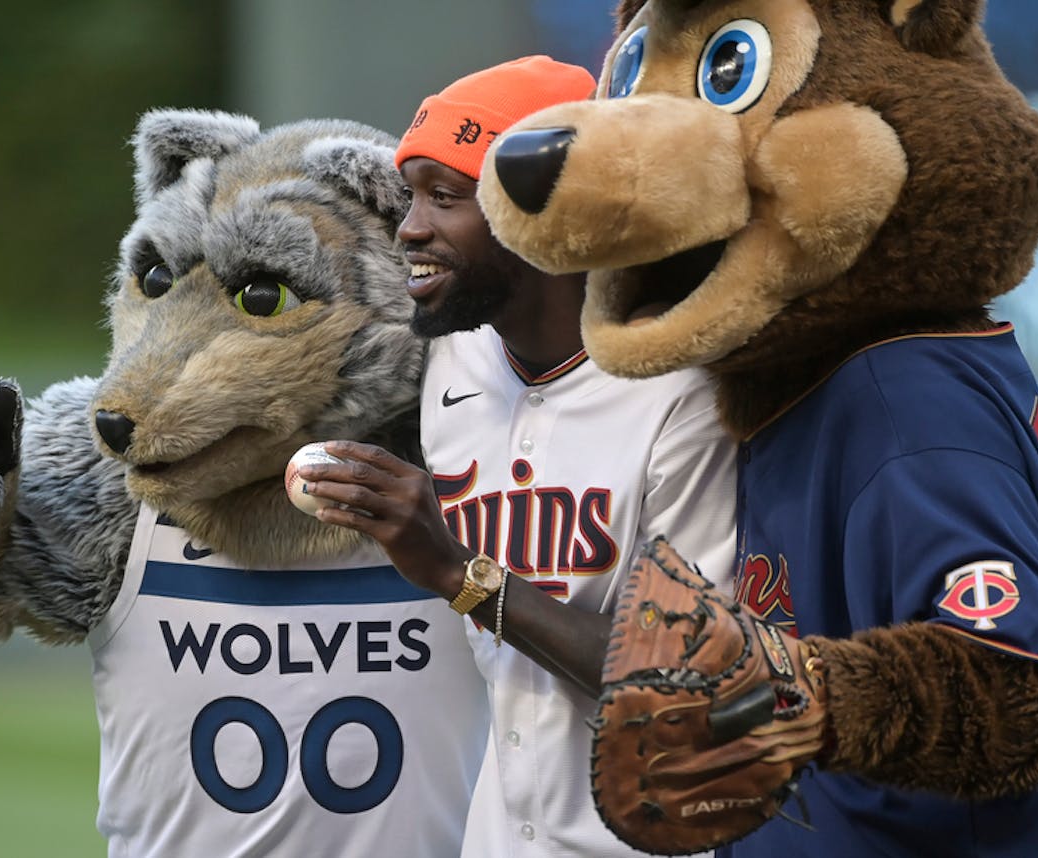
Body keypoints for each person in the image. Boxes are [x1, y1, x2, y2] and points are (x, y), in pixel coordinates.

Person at [297, 56, 741, 857]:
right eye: (411, 196)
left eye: (446, 195)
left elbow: (688, 681)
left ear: (548, 211)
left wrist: (458, 573)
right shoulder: (453, 362)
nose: (411, 229)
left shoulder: (681, 395)